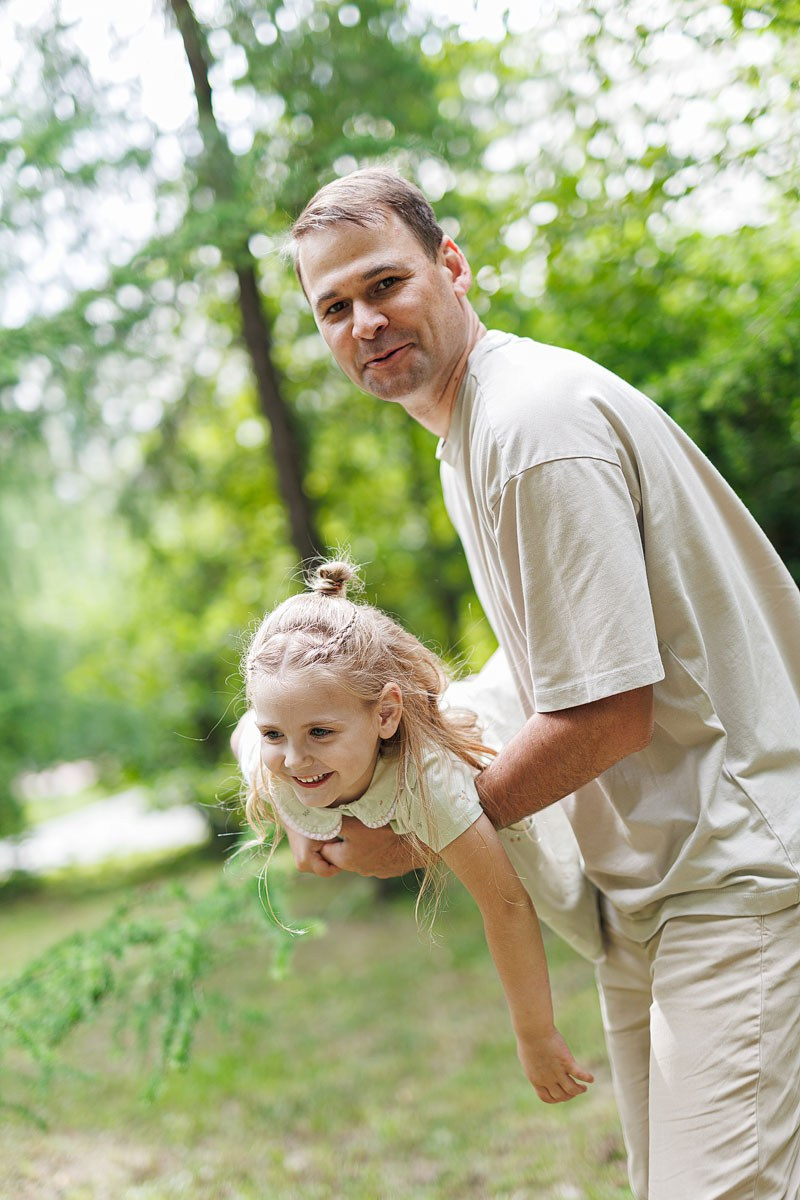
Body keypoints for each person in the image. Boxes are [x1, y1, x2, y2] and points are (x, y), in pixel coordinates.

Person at [258, 166, 800, 1199]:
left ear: (451, 265)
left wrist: (421, 832)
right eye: (334, 306)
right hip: (655, 887)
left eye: (384, 284)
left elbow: (604, 714)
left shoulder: (527, 435)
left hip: (732, 874)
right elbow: (546, 665)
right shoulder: (472, 432)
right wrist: (345, 764)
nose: (364, 322)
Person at [236, 557, 597, 1105]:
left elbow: (505, 907)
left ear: (384, 715)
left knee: (583, 907)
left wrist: (535, 1034)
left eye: (319, 732)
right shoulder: (273, 749)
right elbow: (247, 738)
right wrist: (295, 826)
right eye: (275, 733)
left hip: (506, 719)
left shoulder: (427, 779)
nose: (294, 757)